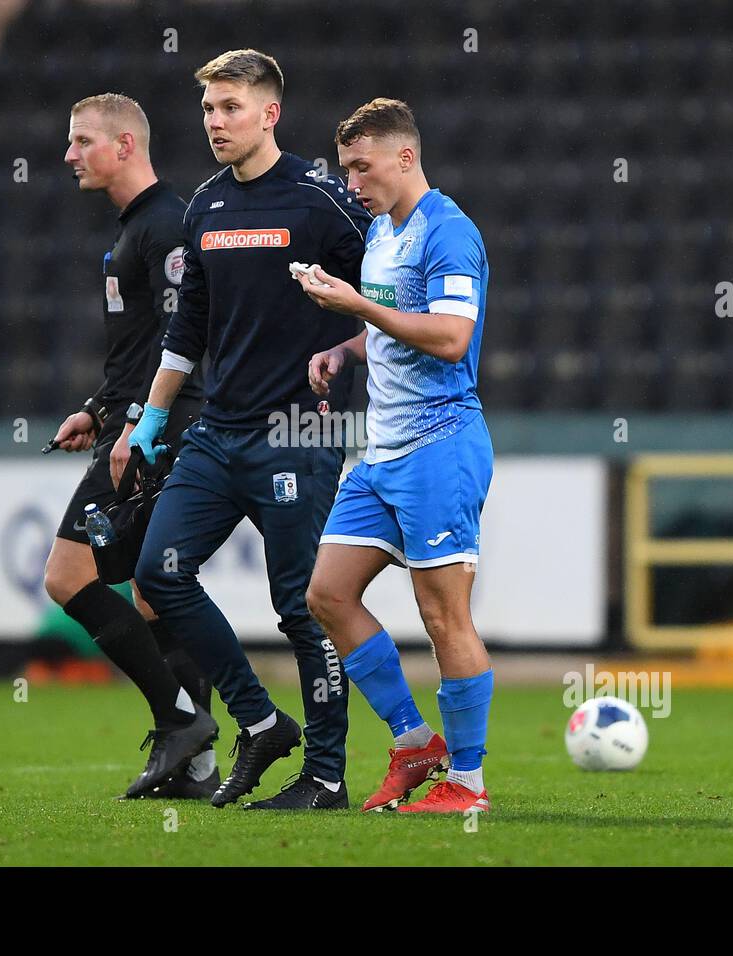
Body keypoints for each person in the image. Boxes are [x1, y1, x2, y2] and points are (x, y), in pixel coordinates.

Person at [129, 49, 372, 810]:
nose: (215, 122)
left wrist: (344, 351)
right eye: (207, 109)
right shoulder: (204, 206)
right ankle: (261, 719)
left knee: (303, 607)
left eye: (230, 107)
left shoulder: (321, 200)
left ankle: (326, 777)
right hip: (218, 433)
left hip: (298, 434)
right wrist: (151, 417)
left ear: (270, 113)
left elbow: (389, 303)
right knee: (158, 575)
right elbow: (189, 325)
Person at [299, 98, 495, 814]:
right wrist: (343, 348)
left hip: (441, 445)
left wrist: (357, 308)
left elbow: (448, 337)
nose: (351, 181)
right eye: (347, 167)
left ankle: (468, 785)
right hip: (381, 452)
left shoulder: (450, 232)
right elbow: (389, 329)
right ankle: (415, 743)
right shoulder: (382, 231)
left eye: (362, 166)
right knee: (326, 594)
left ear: (404, 158)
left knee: (445, 619)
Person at [45, 93, 217, 798]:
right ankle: (198, 768)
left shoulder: (166, 228)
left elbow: (187, 342)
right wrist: (97, 407)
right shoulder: (134, 230)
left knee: (67, 576)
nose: (68, 154)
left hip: (152, 435)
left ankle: (179, 720)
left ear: (124, 146)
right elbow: (145, 346)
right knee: (154, 594)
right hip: (131, 424)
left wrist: (140, 423)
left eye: (82, 140)